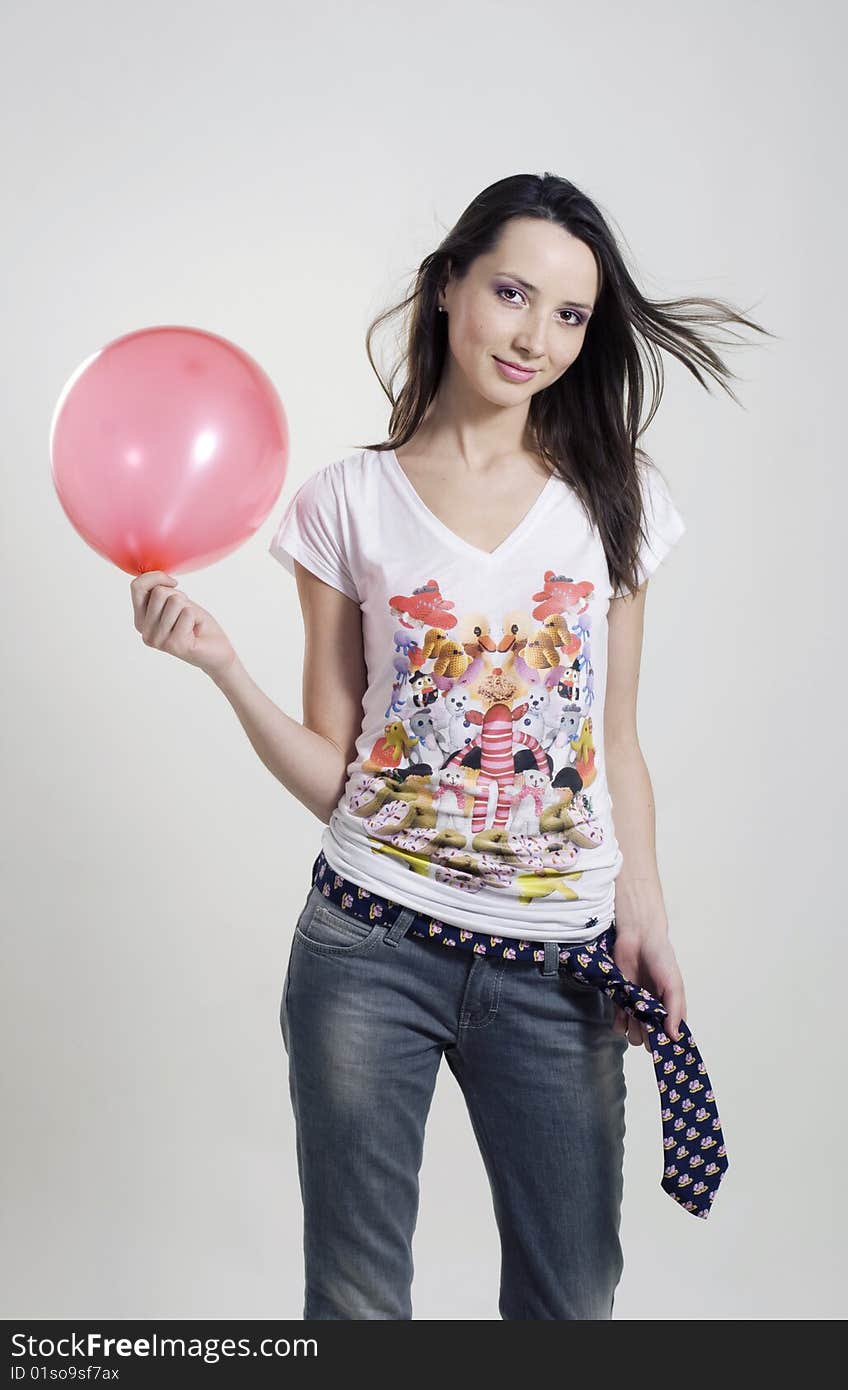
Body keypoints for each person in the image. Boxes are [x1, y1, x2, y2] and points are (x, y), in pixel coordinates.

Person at [130, 172, 769, 1320]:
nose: (535, 337)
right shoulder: (348, 502)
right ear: (445, 289)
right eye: (512, 294)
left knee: (571, 1300)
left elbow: (614, 742)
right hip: (370, 951)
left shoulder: (613, 497)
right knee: (358, 1299)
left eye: (569, 315)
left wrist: (649, 914)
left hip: (557, 966)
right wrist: (223, 665)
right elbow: (340, 773)